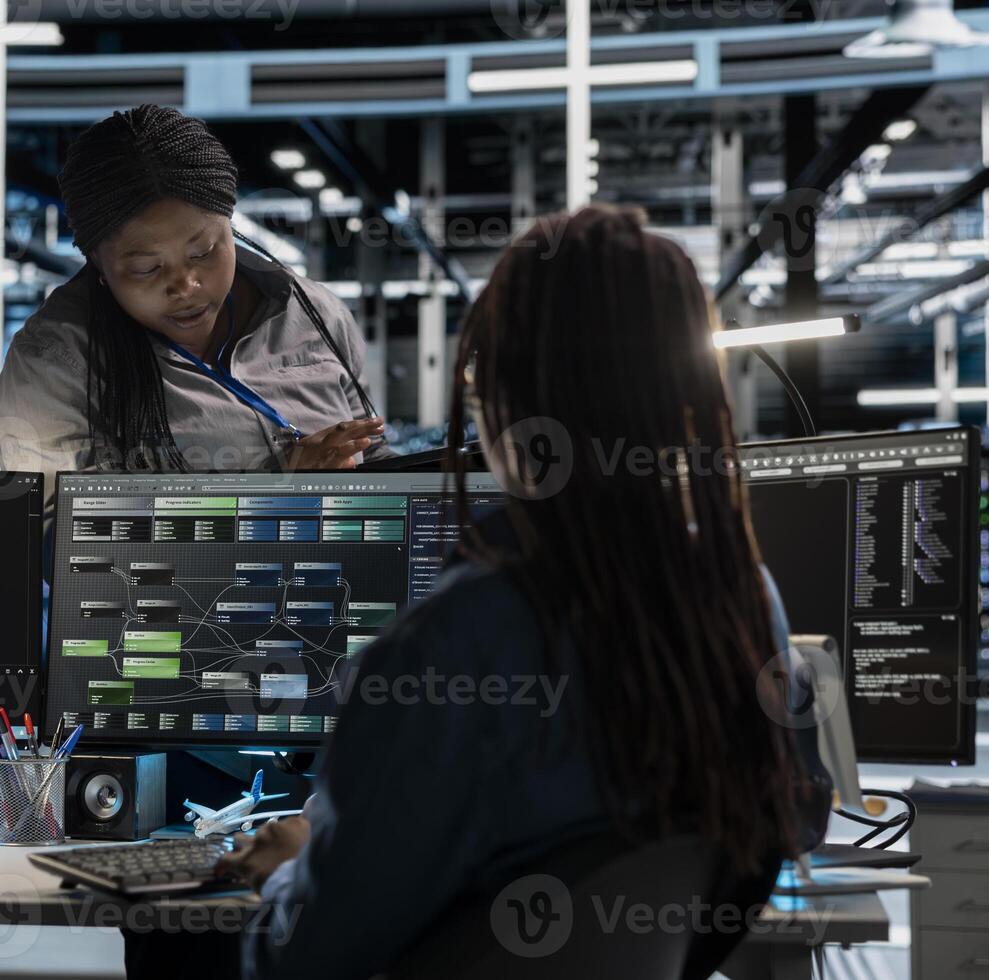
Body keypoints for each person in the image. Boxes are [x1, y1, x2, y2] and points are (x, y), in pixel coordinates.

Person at [216, 205, 834, 979]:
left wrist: (288, 872)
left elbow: (302, 958)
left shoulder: (447, 647)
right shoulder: (741, 600)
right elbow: (798, 817)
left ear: (500, 400)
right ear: (690, 398)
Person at [0, 104, 393, 523]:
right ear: (98, 262)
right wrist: (279, 496)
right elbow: (59, 546)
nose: (186, 285)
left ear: (231, 224)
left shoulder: (313, 314)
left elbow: (377, 459)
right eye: (147, 268)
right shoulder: (54, 363)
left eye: (204, 252)